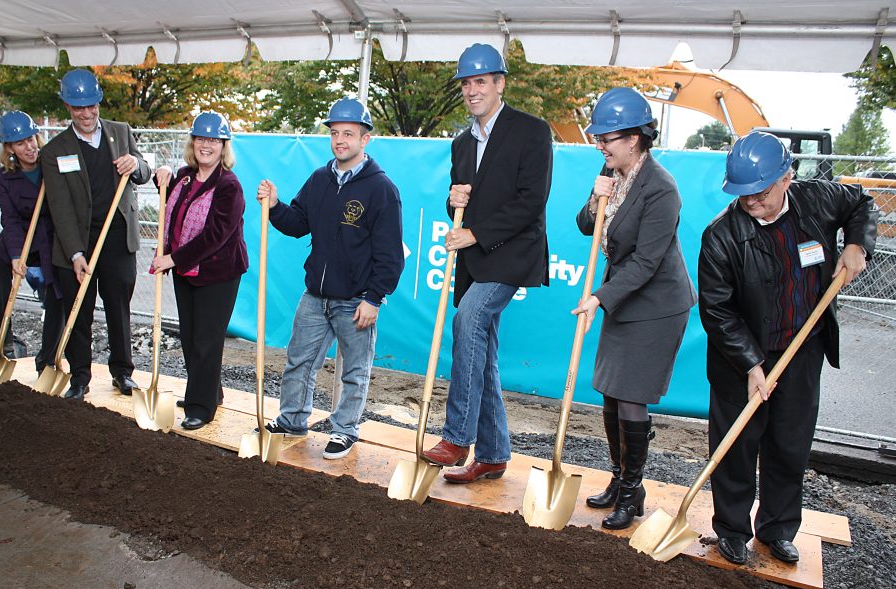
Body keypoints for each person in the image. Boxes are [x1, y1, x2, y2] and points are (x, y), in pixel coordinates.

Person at [699, 131, 877, 565]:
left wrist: (857, 244)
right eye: (742, 195)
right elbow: (718, 312)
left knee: (789, 443)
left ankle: (777, 529)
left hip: (802, 349)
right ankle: (732, 530)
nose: (751, 202)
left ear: (786, 179)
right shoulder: (721, 236)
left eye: (759, 193)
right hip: (742, 358)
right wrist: (751, 364)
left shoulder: (817, 201)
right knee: (737, 444)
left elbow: (861, 202)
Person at [419, 43, 553, 483]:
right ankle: (494, 453)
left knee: (469, 318)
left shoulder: (532, 131)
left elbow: (531, 201)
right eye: (466, 83)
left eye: (481, 81)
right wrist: (451, 201)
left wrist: (475, 233)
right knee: (486, 352)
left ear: (499, 84)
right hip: (476, 260)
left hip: (513, 254)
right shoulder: (462, 143)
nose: (472, 90)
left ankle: (458, 436)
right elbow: (464, 203)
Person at [572, 88, 697, 530]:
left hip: (658, 303)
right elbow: (587, 224)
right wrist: (594, 196)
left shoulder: (661, 188)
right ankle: (622, 480)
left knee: (630, 396)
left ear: (636, 138)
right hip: (625, 296)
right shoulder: (610, 172)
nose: (601, 144)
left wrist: (599, 298)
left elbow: (647, 261)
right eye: (598, 137)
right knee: (610, 390)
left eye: (608, 137)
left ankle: (631, 493)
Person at [255, 97, 403, 459]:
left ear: (365, 138)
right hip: (315, 296)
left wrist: (374, 298)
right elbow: (297, 223)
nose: (340, 140)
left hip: (356, 299)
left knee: (354, 371)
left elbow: (390, 255)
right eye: (335, 133)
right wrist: (275, 206)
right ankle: (292, 420)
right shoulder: (320, 179)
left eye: (348, 133)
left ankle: (344, 430)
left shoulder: (381, 189)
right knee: (298, 362)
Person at [40, 69, 151, 400]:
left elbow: (143, 171)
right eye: (78, 108)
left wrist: (137, 165)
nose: (86, 114)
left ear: (98, 102)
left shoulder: (120, 132)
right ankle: (80, 376)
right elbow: (59, 208)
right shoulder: (55, 150)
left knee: (119, 308)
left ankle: (122, 372)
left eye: (91, 106)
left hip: (117, 238)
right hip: (79, 242)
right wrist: (76, 254)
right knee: (79, 309)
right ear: (67, 107)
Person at [151, 112, 248, 431]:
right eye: (201, 139)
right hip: (185, 272)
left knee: (207, 339)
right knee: (191, 337)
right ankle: (209, 391)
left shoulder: (228, 186)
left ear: (223, 146)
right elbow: (172, 204)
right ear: (193, 143)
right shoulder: (184, 176)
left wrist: (172, 259)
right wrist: (160, 173)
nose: (206, 146)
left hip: (218, 273)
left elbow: (215, 236)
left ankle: (200, 407)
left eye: (214, 141)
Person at [0, 110, 64, 374]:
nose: (29, 147)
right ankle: (0, 335)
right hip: (20, 235)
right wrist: (17, 255)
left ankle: (48, 358)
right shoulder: (5, 176)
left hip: (49, 237)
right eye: (20, 143)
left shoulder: (51, 164)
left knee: (55, 296)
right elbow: (10, 219)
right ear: (9, 148)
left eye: (31, 139)